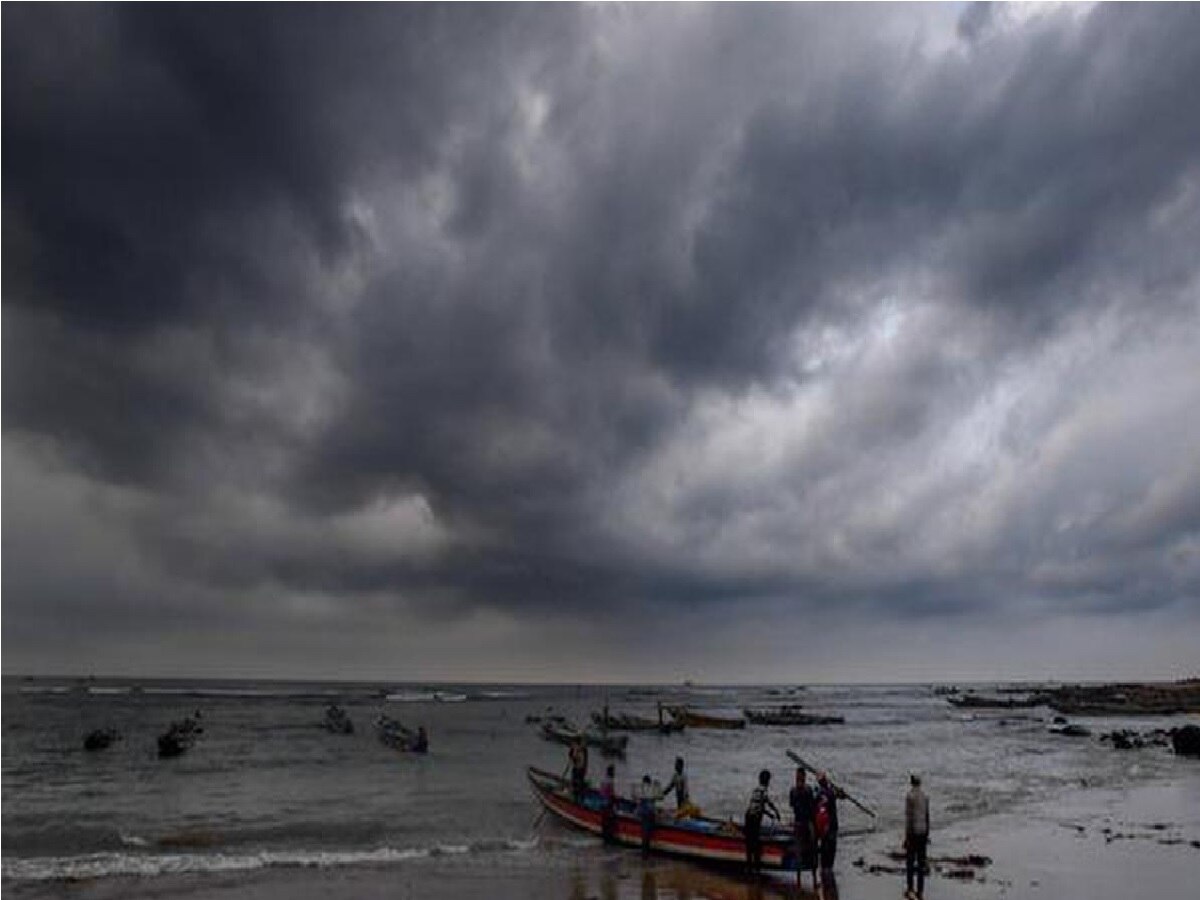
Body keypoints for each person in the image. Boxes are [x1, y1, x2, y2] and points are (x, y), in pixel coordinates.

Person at [744, 769, 781, 874]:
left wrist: (770, 814)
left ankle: (749, 865)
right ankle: (756, 867)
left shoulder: (756, 790)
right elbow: (767, 804)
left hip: (749, 817)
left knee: (749, 842)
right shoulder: (763, 791)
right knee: (755, 842)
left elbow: (759, 806)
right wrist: (775, 812)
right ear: (767, 781)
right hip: (754, 818)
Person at [789, 767, 818, 890]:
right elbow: (812, 807)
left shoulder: (793, 790)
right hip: (806, 822)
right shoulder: (807, 790)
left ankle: (800, 879)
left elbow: (792, 805)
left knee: (800, 850)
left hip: (799, 822)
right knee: (811, 849)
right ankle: (813, 877)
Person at [904, 774, 930, 899]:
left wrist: (906, 837)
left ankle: (910, 888)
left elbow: (909, 818)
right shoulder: (925, 796)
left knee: (910, 861)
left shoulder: (910, 796)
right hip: (923, 831)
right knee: (921, 862)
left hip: (913, 832)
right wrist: (927, 834)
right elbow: (927, 816)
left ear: (911, 782)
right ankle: (920, 890)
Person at [816, 772, 843, 874]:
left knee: (825, 848)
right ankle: (827, 869)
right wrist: (838, 791)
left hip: (824, 826)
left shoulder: (820, 793)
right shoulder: (829, 792)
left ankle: (825, 869)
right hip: (830, 825)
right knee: (830, 849)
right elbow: (840, 795)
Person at [637, 774, 658, 852]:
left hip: (646, 814)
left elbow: (641, 804)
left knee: (645, 833)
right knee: (647, 834)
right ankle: (646, 850)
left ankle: (644, 851)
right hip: (650, 814)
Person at [600, 764, 617, 844]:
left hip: (603, 803)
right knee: (610, 821)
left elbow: (601, 792)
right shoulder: (610, 781)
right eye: (613, 772)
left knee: (604, 822)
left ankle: (605, 837)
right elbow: (611, 794)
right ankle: (609, 838)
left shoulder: (603, 780)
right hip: (608, 804)